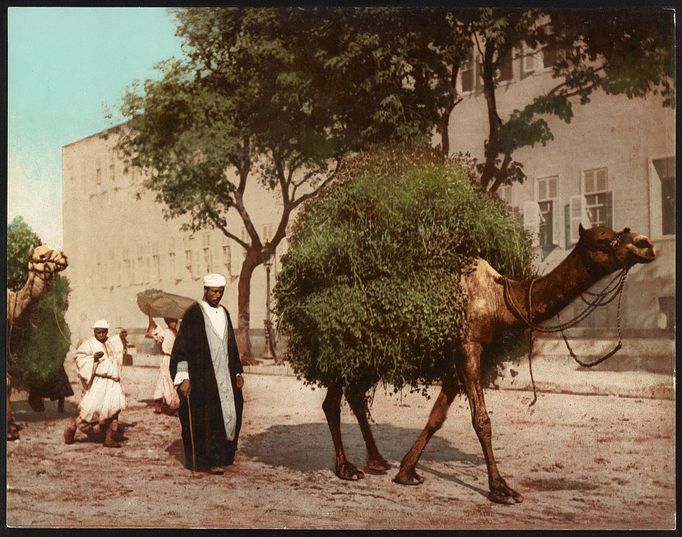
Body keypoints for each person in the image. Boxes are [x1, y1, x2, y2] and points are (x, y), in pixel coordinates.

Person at [169, 273, 244, 475]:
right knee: (205, 417)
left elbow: (231, 344)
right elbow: (182, 348)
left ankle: (222, 457)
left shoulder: (225, 313)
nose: (217, 295)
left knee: (226, 414)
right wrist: (183, 377)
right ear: (205, 291)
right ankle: (204, 461)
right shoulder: (193, 314)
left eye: (220, 292)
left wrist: (237, 371)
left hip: (225, 375)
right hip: (202, 377)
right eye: (214, 292)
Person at [63, 319, 127, 448]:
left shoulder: (110, 344)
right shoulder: (89, 344)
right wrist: (93, 359)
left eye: (104, 332)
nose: (101, 334)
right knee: (90, 409)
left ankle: (109, 438)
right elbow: (79, 357)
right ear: (94, 332)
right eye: (99, 332)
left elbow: (119, 349)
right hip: (98, 381)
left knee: (114, 409)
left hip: (112, 381)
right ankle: (71, 429)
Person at [145, 308, 180, 414]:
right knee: (167, 379)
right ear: (168, 322)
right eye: (171, 321)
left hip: (176, 359)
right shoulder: (164, 332)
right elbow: (153, 326)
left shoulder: (177, 333)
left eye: (175, 321)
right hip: (167, 359)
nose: (174, 323)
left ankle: (166, 402)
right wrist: (150, 311)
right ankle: (170, 405)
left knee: (174, 380)